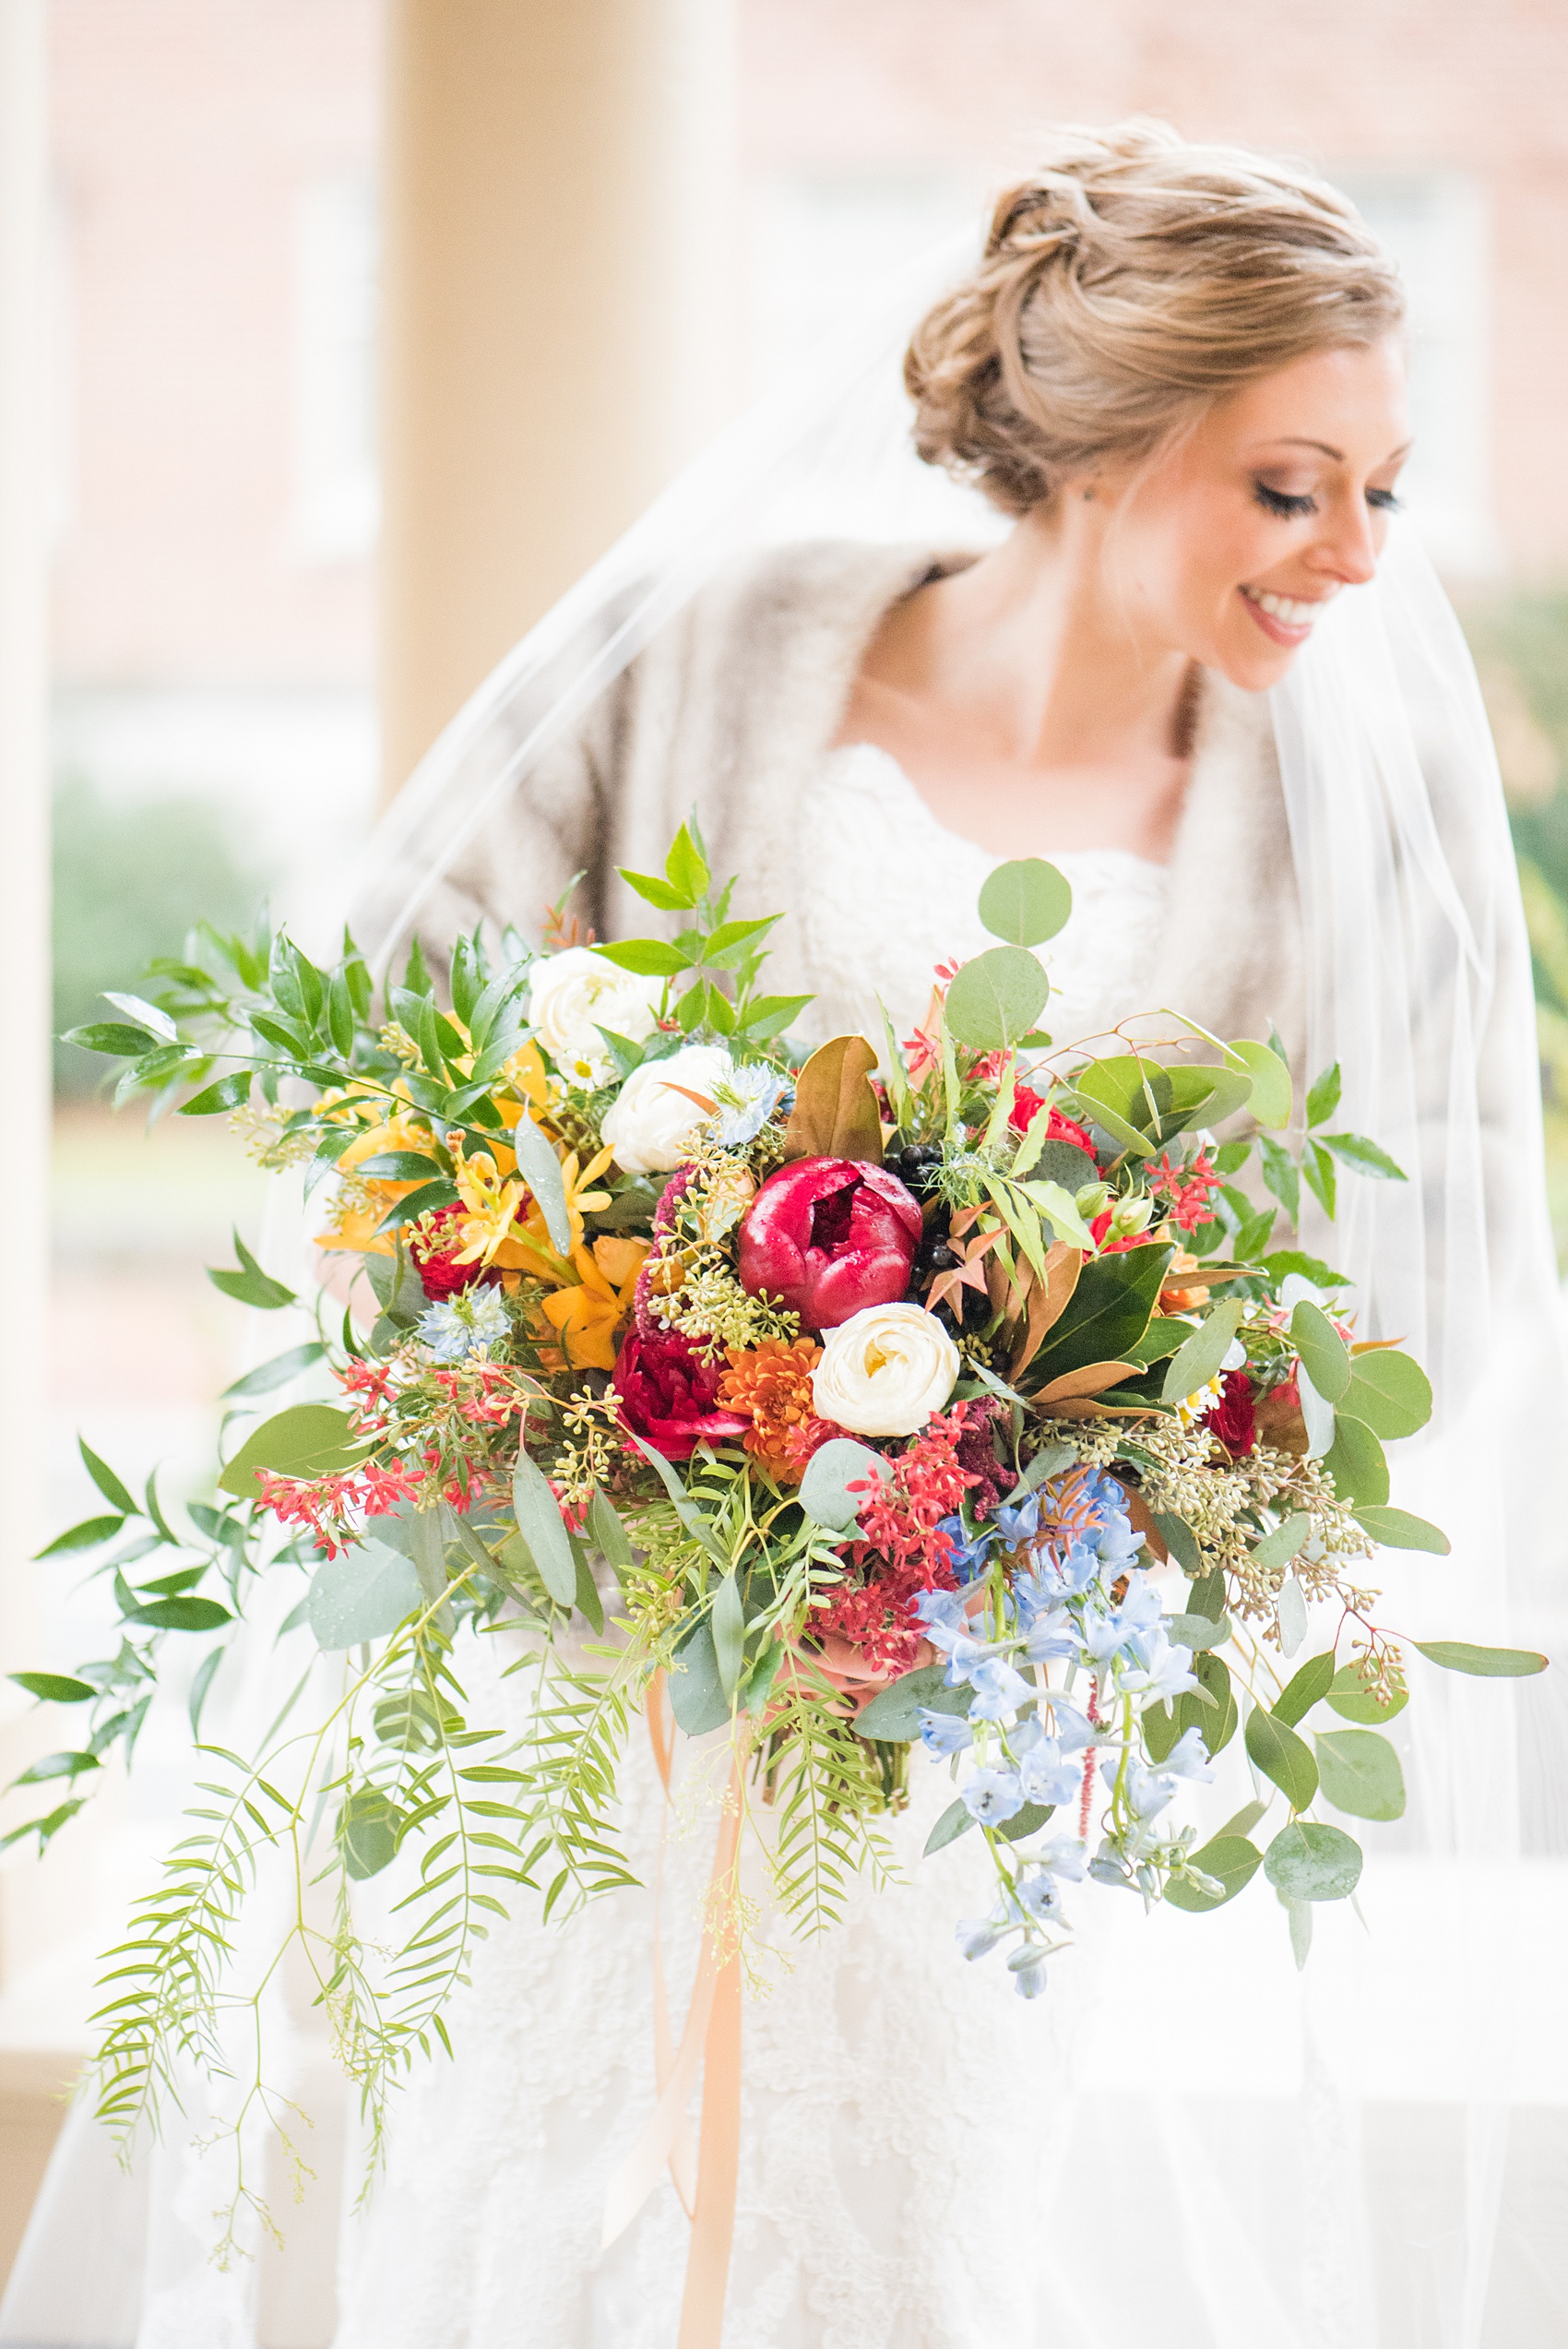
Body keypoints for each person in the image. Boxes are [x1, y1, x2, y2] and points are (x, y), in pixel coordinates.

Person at [5, 120, 1562, 2349]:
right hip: (575, 1674)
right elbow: (395, 1023)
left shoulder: (1335, 824)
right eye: (1287, 483)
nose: (1348, 555)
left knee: (891, 2254)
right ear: (1113, 442)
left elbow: (1441, 1247)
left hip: (953, 1727)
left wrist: (1064, 1460)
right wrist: (566, 1381)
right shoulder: (712, 644)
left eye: (1381, 490)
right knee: (537, 2228)